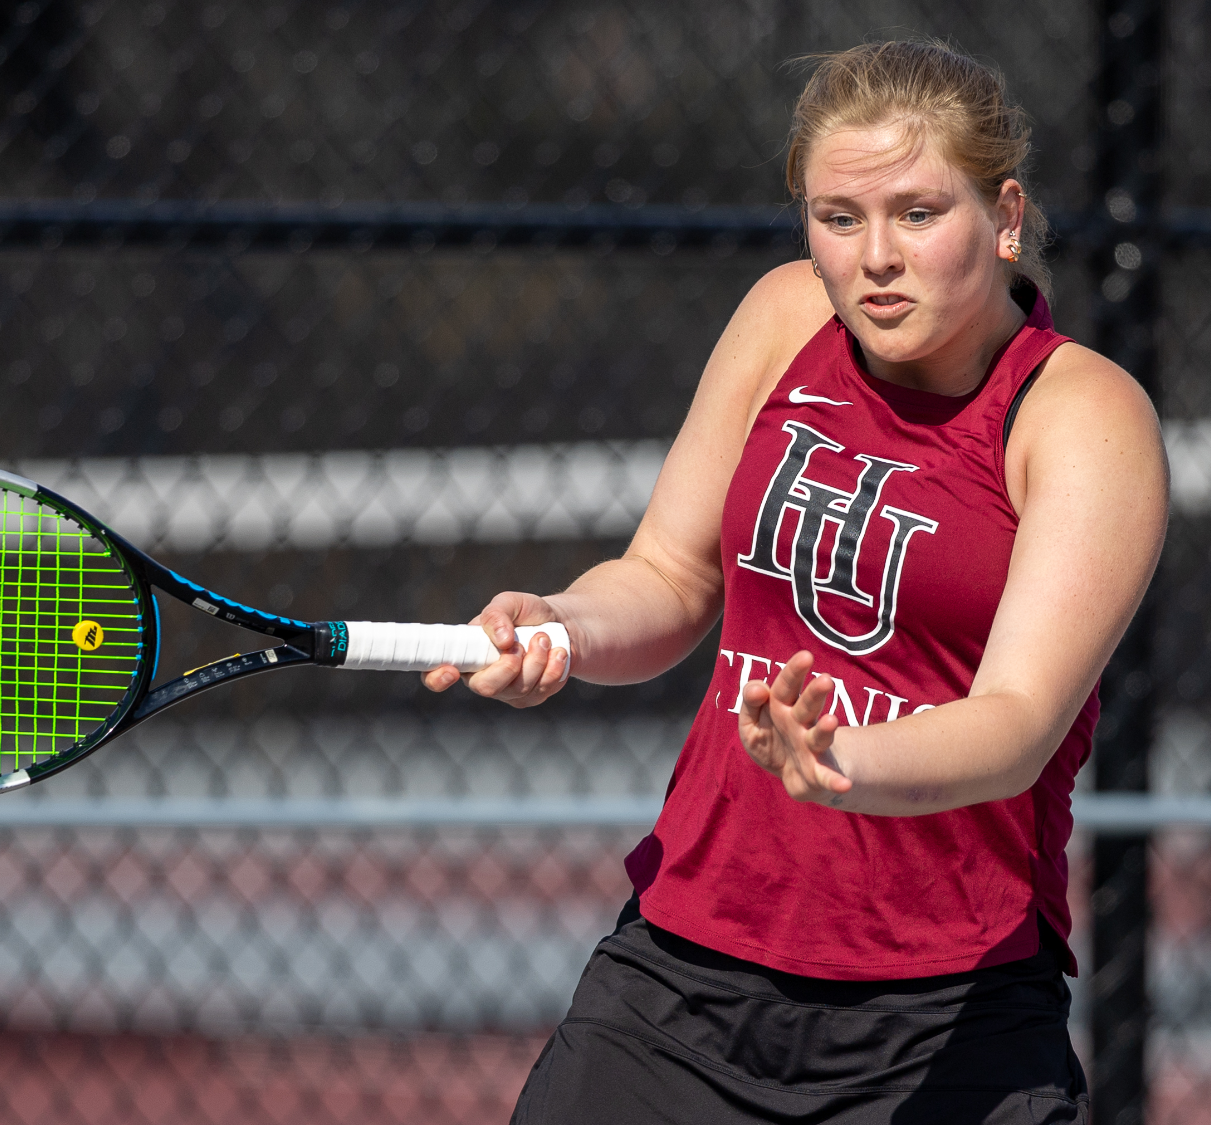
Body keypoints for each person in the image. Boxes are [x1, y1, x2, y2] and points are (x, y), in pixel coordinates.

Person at [423, 38, 1167, 1124]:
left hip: (943, 1015)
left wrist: (838, 762)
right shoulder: (782, 318)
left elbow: (1014, 725)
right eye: (836, 217)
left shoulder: (1081, 416)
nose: (873, 257)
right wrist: (564, 627)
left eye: (917, 213)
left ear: (1003, 216)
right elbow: (667, 577)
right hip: (680, 978)